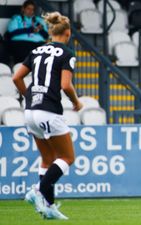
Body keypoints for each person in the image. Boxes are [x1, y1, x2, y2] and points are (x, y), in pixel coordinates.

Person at [12, 12, 82, 220]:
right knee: (68, 157)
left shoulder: (36, 50)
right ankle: (38, 191)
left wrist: (29, 96)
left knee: (47, 159)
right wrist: (76, 102)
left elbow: (16, 77)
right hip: (49, 111)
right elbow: (65, 85)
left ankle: (49, 207)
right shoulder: (67, 54)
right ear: (68, 33)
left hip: (30, 111)